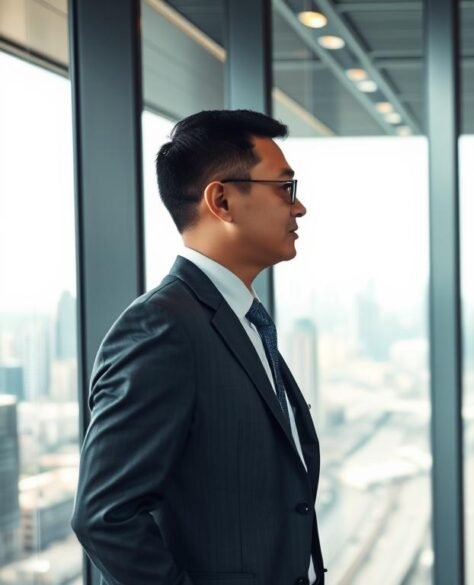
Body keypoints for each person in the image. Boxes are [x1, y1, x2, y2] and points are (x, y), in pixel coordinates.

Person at [71, 109, 323, 585]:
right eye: (284, 188)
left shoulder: (241, 320)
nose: (300, 207)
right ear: (222, 200)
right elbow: (105, 517)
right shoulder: (160, 328)